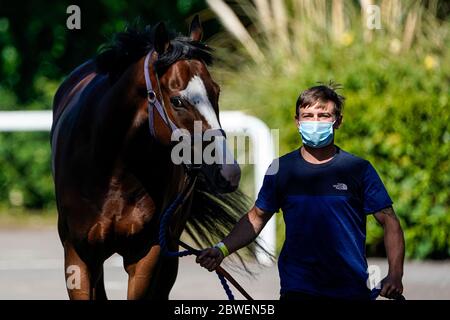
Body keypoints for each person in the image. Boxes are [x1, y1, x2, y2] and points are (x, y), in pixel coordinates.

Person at [196, 83, 405, 300]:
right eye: (308, 115)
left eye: (323, 115)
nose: (315, 122)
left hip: (350, 290)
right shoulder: (282, 170)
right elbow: (256, 218)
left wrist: (395, 275)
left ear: (338, 121)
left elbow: (390, 222)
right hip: (297, 290)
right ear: (297, 121)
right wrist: (221, 249)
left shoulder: (359, 170)